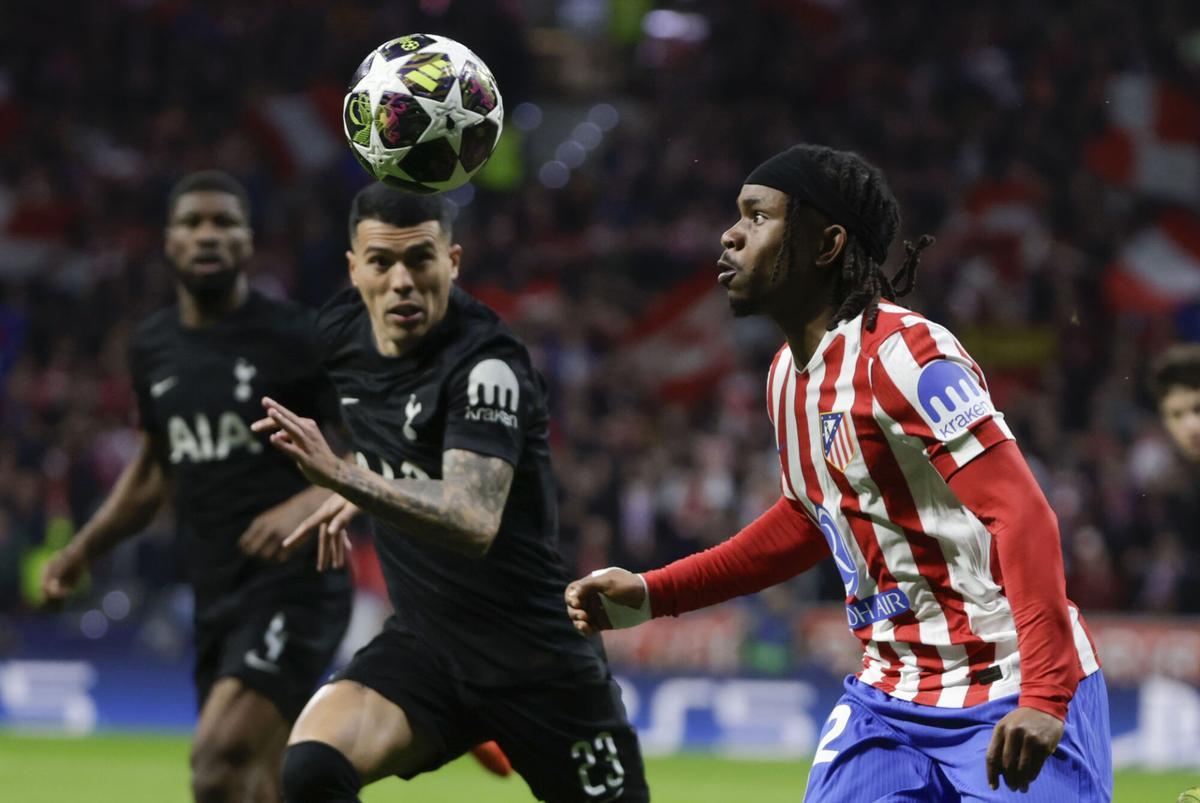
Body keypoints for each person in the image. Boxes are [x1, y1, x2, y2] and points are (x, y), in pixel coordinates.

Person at [566, 145, 1111, 801]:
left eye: (758, 216)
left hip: (1007, 682)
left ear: (826, 243)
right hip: (888, 697)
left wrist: (1047, 695)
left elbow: (1022, 513)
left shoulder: (908, 354)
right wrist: (656, 593)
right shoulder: (784, 378)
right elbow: (809, 516)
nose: (730, 234)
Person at [253, 184, 648, 803]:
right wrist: (364, 473)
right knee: (307, 772)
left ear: (453, 263)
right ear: (354, 268)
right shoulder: (339, 334)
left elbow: (472, 519)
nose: (401, 280)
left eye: (421, 259)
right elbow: (398, 430)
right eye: (381, 262)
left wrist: (345, 476)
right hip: (427, 650)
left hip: (537, 660)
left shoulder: (487, 365)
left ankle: (490, 729)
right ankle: (466, 728)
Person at [41, 170, 354, 803]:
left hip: (297, 582)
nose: (207, 235)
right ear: (168, 241)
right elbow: (153, 470)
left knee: (215, 761)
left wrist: (309, 496)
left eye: (223, 223)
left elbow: (372, 443)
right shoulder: (153, 346)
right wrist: (81, 551)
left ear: (248, 241)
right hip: (215, 589)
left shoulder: (298, 336)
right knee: (255, 782)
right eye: (192, 223)